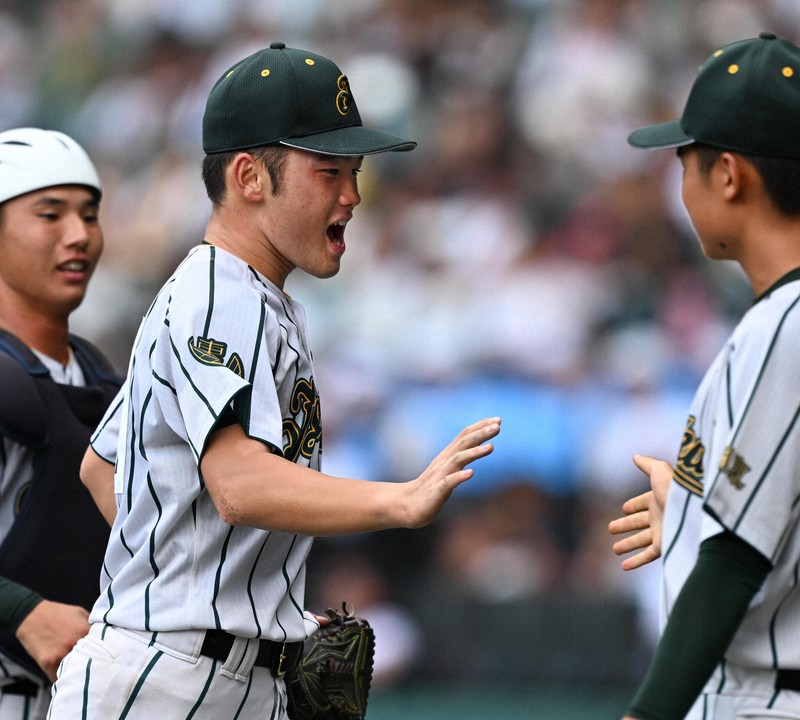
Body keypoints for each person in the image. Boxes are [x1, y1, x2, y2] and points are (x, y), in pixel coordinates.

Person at [48, 42, 501, 719]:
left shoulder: (253, 299)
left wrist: (245, 599)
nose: (352, 195)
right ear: (249, 177)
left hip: (222, 672)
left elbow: (102, 465)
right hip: (162, 683)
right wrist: (398, 500)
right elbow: (237, 485)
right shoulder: (216, 293)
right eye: (328, 172)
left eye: (355, 172)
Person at [609, 31, 800, 719]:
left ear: (728, 174)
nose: (677, 182)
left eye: (684, 160)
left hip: (762, 698)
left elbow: (735, 559)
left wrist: (646, 714)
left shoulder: (789, 322)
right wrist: (692, 515)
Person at [0, 127, 121, 719]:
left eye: (90, 214)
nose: (79, 235)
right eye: (50, 214)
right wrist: (18, 609)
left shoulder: (105, 381)